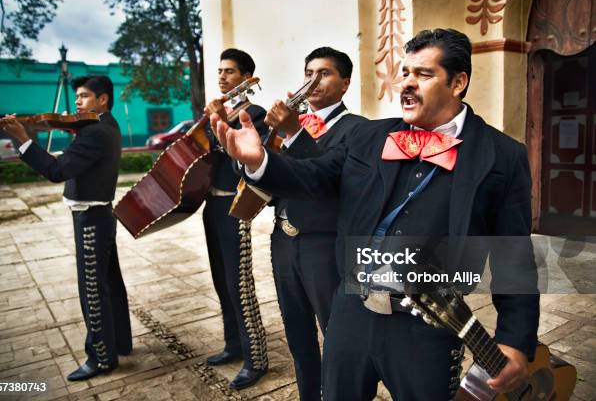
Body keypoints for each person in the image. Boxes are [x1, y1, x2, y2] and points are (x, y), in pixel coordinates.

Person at [211, 29, 539, 400]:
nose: (408, 84)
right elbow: (316, 175)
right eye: (405, 73)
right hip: (352, 309)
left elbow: (514, 256)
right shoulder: (370, 137)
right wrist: (261, 162)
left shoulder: (502, 156)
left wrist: (515, 338)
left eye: (424, 74)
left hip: (430, 324)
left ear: (458, 82)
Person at [0, 75, 132, 381]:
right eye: (77, 97)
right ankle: (120, 343)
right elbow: (74, 162)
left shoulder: (94, 132)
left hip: (90, 219)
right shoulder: (106, 126)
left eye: (84, 96)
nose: (78, 102)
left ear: (103, 100)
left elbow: (56, 171)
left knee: (92, 290)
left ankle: (101, 358)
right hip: (101, 214)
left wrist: (24, 138)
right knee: (110, 284)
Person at [263, 47, 366, 400]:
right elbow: (264, 171)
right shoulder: (295, 124)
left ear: (345, 84)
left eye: (324, 73)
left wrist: (294, 134)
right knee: (297, 333)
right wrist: (252, 146)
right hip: (283, 241)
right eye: (309, 72)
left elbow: (330, 180)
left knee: (335, 334)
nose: (313, 80)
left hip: (324, 246)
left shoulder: (358, 130)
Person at [201, 48, 269, 390]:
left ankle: (255, 357)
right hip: (210, 206)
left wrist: (219, 122)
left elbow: (239, 163)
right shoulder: (221, 112)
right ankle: (233, 344)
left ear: (246, 78)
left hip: (234, 207)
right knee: (219, 280)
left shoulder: (254, 114)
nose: (222, 77)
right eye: (220, 71)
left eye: (230, 71)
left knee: (239, 284)